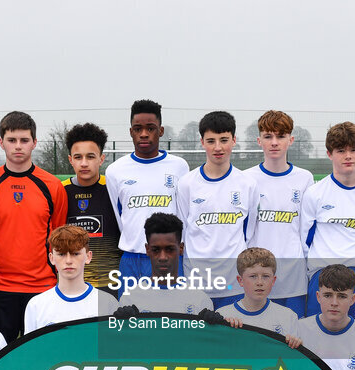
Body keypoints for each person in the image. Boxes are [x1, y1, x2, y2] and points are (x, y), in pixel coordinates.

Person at [0, 111, 67, 340]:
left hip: (42, 286)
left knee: (42, 357)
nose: (18, 146)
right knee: (0, 358)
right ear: (1, 143)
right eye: (11, 140)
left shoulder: (52, 186)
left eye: (24, 140)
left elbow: (57, 237)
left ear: (34, 143)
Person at [300, 122, 355, 330]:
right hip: (323, 275)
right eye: (341, 150)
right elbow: (305, 239)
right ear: (330, 153)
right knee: (317, 343)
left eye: (353, 150)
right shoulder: (315, 193)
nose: (348, 156)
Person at [175, 110, 258, 308]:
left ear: (234, 140)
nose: (218, 147)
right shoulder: (187, 183)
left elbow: (249, 233)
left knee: (233, 338)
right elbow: (182, 234)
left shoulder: (247, 184)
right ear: (202, 142)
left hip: (234, 284)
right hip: (196, 283)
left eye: (224, 140)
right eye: (211, 141)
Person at [106, 99, 190, 282]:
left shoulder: (179, 167)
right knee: (129, 311)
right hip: (132, 258)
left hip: (169, 257)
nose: (144, 134)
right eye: (138, 129)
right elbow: (120, 217)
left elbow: (183, 214)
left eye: (150, 128)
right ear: (131, 132)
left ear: (160, 131)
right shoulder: (114, 171)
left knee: (171, 310)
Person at [243, 110, 314, 317]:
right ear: (259, 141)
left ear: (290, 140)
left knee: (293, 337)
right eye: (268, 136)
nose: (274, 142)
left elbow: (305, 229)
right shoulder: (247, 179)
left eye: (280, 136)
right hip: (257, 274)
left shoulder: (304, 178)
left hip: (294, 275)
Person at [24, 225, 119, 334]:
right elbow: (31, 350)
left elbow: (114, 348)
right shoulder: (36, 305)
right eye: (61, 254)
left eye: (75, 253)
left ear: (88, 256)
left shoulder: (107, 302)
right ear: (51, 258)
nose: (68, 260)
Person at [63, 123, 121, 295]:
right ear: (70, 160)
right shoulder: (60, 191)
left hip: (110, 283)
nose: (84, 163)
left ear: (101, 159)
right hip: (73, 284)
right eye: (78, 157)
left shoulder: (113, 189)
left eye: (90, 157)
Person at [116, 212, 213, 315]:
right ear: (147, 250)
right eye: (156, 250)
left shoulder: (201, 301)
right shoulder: (130, 300)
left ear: (181, 248)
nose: (163, 257)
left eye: (169, 249)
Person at [218, 247, 301, 342]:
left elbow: (291, 356)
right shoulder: (223, 315)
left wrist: (295, 345)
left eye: (265, 276)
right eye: (253, 276)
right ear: (240, 280)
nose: (259, 282)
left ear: (273, 281)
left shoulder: (288, 317)